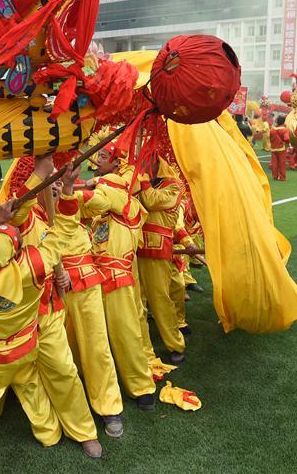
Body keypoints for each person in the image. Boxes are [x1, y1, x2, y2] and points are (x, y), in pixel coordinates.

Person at [0, 161, 101, 473]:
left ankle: (79, 431)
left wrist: (0, 219)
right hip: (32, 322)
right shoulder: (31, 261)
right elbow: (61, 233)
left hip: (26, 329)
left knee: (61, 372)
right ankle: (53, 432)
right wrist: (64, 187)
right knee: (33, 380)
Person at [82, 143, 156, 412]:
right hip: (93, 279)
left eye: (104, 157)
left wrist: (77, 188)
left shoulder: (124, 200)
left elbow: (95, 199)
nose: (98, 161)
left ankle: (142, 388)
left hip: (116, 280)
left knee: (126, 334)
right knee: (95, 337)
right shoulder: (106, 209)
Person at [137, 158, 197, 364]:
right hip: (132, 247)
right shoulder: (141, 181)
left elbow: (152, 201)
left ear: (157, 162)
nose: (143, 164)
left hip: (156, 249)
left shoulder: (173, 186)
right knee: (137, 303)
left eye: (146, 160)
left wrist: (141, 178)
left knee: (160, 299)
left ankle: (175, 343)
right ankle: (142, 348)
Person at [269, 116, 289, 181]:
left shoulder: (272, 129)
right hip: (281, 148)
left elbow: (270, 138)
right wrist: (287, 144)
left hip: (273, 148)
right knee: (282, 163)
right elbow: (287, 139)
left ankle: (275, 176)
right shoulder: (284, 130)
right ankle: (282, 177)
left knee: (274, 163)